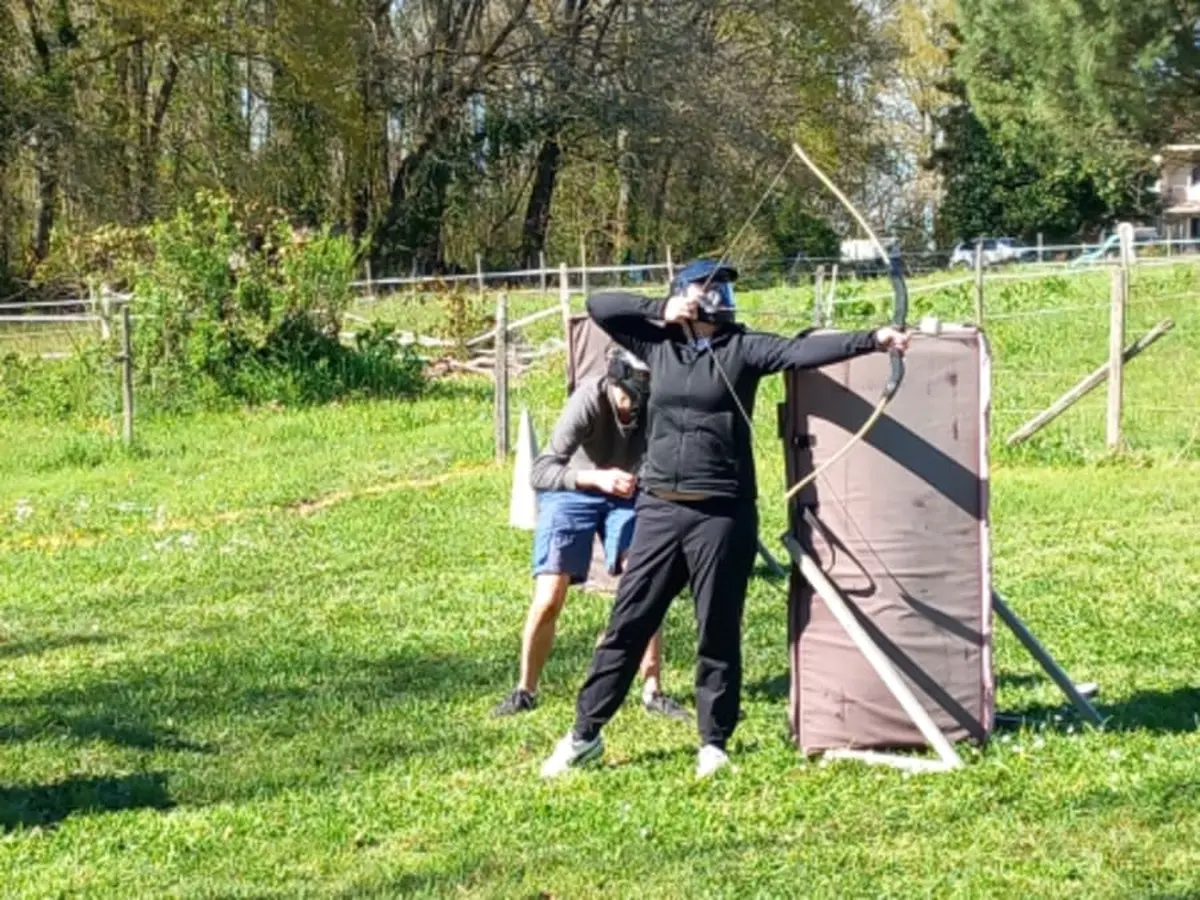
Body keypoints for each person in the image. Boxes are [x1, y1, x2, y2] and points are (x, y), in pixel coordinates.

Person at [540, 258, 909, 778]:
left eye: (726, 289)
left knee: (718, 628)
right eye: (710, 288)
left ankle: (714, 742)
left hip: (724, 511)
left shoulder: (743, 348)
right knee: (629, 622)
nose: (721, 296)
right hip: (661, 508)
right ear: (685, 295)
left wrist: (873, 337)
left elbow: (801, 351)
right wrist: (661, 310)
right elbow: (600, 306)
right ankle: (584, 735)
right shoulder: (657, 344)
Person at [492, 346, 689, 722]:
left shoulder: (653, 404)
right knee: (550, 595)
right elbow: (541, 471)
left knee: (645, 583)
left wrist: (644, 477)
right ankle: (525, 689)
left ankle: (653, 691)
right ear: (613, 382)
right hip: (573, 491)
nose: (632, 407)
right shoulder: (587, 399)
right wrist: (594, 477)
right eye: (626, 397)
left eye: (640, 400)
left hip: (626, 496)